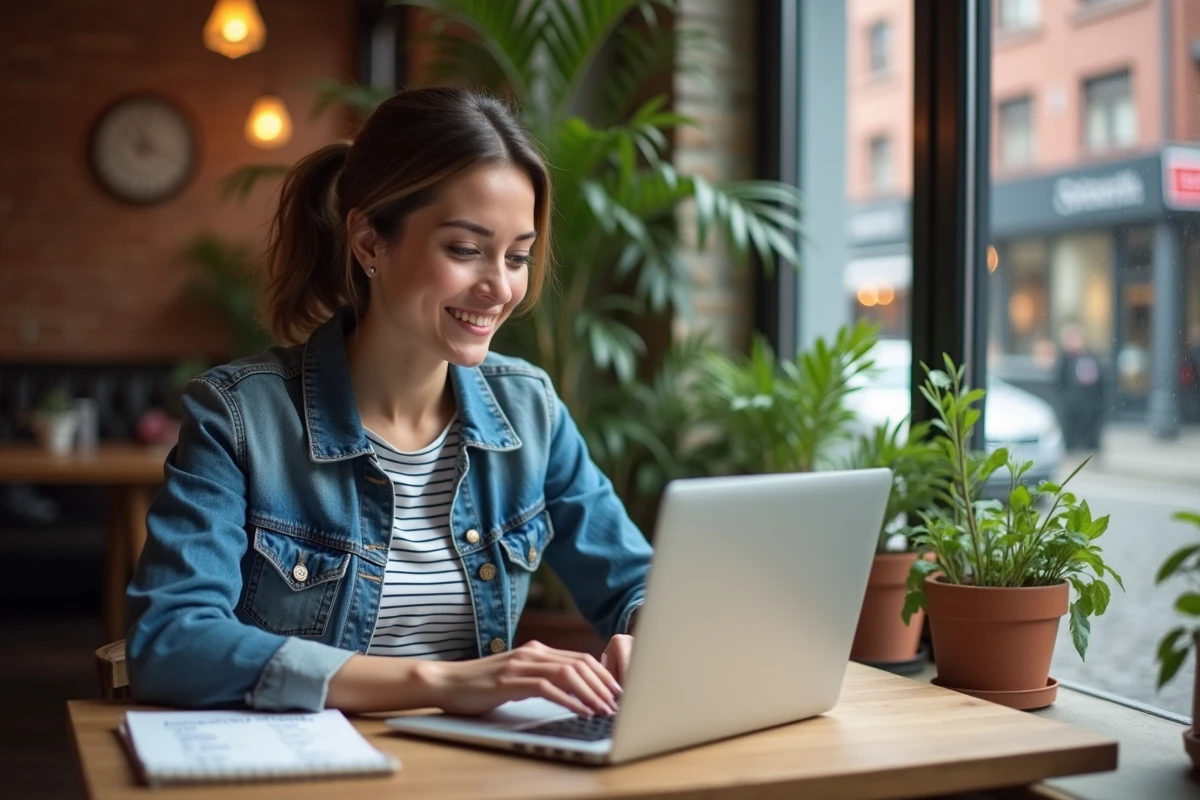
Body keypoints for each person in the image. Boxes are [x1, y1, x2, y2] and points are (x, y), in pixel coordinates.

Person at [126, 87, 652, 719]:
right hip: (312, 763)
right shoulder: (239, 419)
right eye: (465, 250)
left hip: (480, 765)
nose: (500, 287)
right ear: (370, 242)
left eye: (517, 256)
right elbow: (171, 641)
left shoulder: (530, 411)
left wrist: (649, 630)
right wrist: (442, 683)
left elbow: (636, 580)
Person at [1054, 322, 1105, 451]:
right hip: (1073, 403)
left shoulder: (1090, 356)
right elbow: (1060, 380)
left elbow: (1100, 380)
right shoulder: (1066, 359)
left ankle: (1089, 446)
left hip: (1090, 402)